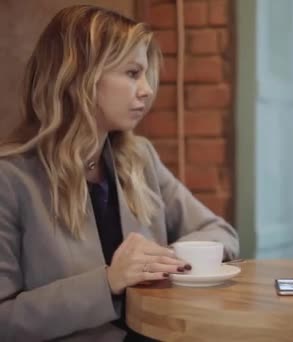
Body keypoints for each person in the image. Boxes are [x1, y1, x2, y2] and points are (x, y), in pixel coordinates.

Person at [0, 5, 239, 341]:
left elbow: (220, 232)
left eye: (145, 75)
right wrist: (110, 280)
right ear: (79, 76)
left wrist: (160, 260)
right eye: (132, 73)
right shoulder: (10, 179)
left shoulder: (139, 157)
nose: (147, 90)